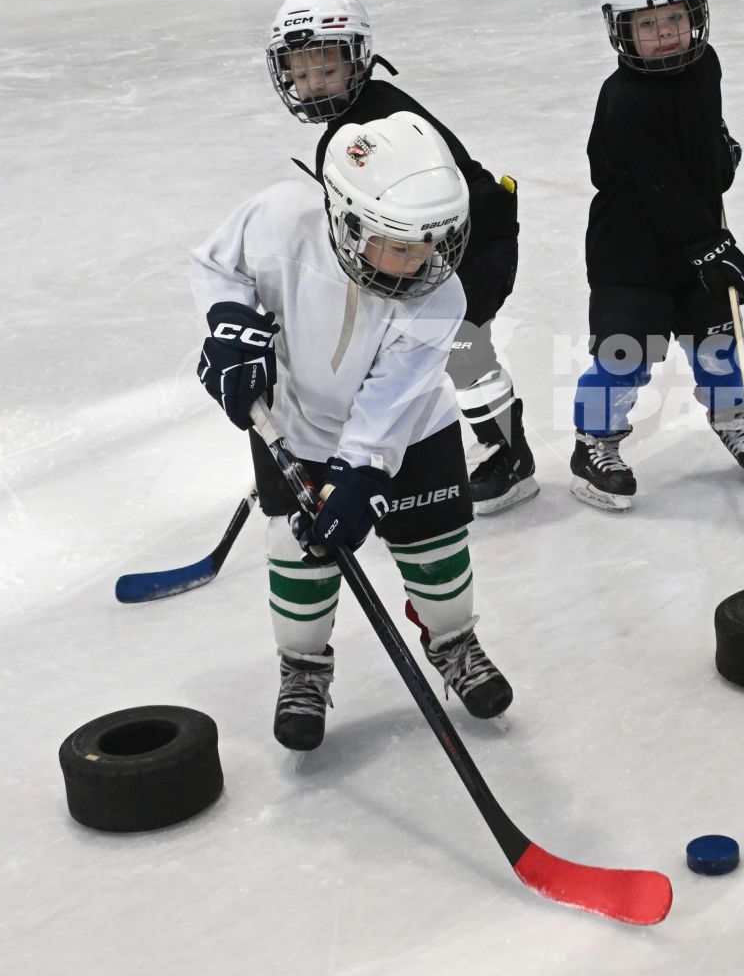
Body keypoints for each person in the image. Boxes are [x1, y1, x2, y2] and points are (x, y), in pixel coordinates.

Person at [191, 111, 514, 751]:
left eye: (432, 244)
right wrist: (230, 327)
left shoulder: (439, 298)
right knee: (300, 557)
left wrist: (360, 476)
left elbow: (387, 405)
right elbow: (218, 266)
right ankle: (304, 669)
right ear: (343, 216)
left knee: (436, 551)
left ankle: (453, 642)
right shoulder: (281, 217)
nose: (417, 264)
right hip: (298, 424)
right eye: (396, 245)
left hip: (413, 431)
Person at [266, 0, 538, 516]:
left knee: (462, 350)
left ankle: (510, 458)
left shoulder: (373, 125)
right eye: (300, 73)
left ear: (358, 60)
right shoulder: (351, 125)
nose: (312, 85)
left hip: (472, 249)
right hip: (434, 252)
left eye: (325, 70)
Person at [571, 0, 744, 511]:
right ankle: (593, 444)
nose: (666, 33)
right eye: (649, 23)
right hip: (631, 249)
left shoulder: (705, 65)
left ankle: (733, 420)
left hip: (691, 233)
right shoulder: (625, 99)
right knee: (624, 355)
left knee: (716, 343)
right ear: (622, 30)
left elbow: (702, 139)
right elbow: (657, 184)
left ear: (695, 16)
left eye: (675, 19)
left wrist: (718, 153)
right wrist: (711, 247)